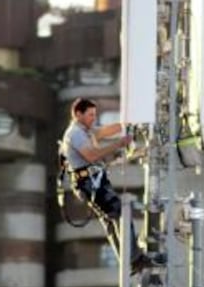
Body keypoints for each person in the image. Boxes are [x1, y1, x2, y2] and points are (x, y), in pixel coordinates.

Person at [60, 98, 153, 274]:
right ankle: (134, 259)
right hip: (89, 183)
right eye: (90, 115)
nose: (93, 118)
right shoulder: (76, 134)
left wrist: (127, 123)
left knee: (112, 219)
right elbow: (91, 155)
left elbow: (104, 131)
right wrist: (119, 144)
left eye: (95, 114)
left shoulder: (85, 131)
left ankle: (130, 259)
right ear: (78, 114)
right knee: (119, 213)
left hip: (93, 182)